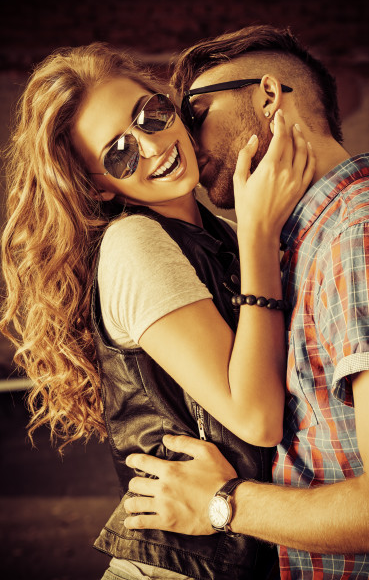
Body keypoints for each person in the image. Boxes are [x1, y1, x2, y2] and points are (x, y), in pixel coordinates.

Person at [0, 43, 314, 580]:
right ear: (100, 184)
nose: (151, 144)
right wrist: (261, 235)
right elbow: (256, 418)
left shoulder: (218, 235)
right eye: (118, 153)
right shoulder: (135, 244)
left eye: (151, 114)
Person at [121, 26, 369, 579]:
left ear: (268, 96)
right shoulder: (299, 243)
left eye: (194, 113)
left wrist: (223, 502)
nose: (184, 139)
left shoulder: (360, 236)